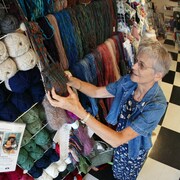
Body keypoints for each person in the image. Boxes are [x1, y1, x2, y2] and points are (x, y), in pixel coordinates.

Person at [47, 39, 172, 180]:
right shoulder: (129, 81)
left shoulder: (157, 105)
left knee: (126, 176)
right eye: (136, 61)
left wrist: (78, 110)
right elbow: (96, 92)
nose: (134, 66)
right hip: (119, 140)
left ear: (157, 75)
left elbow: (118, 139)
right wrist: (72, 81)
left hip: (134, 148)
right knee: (117, 169)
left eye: (141, 65)